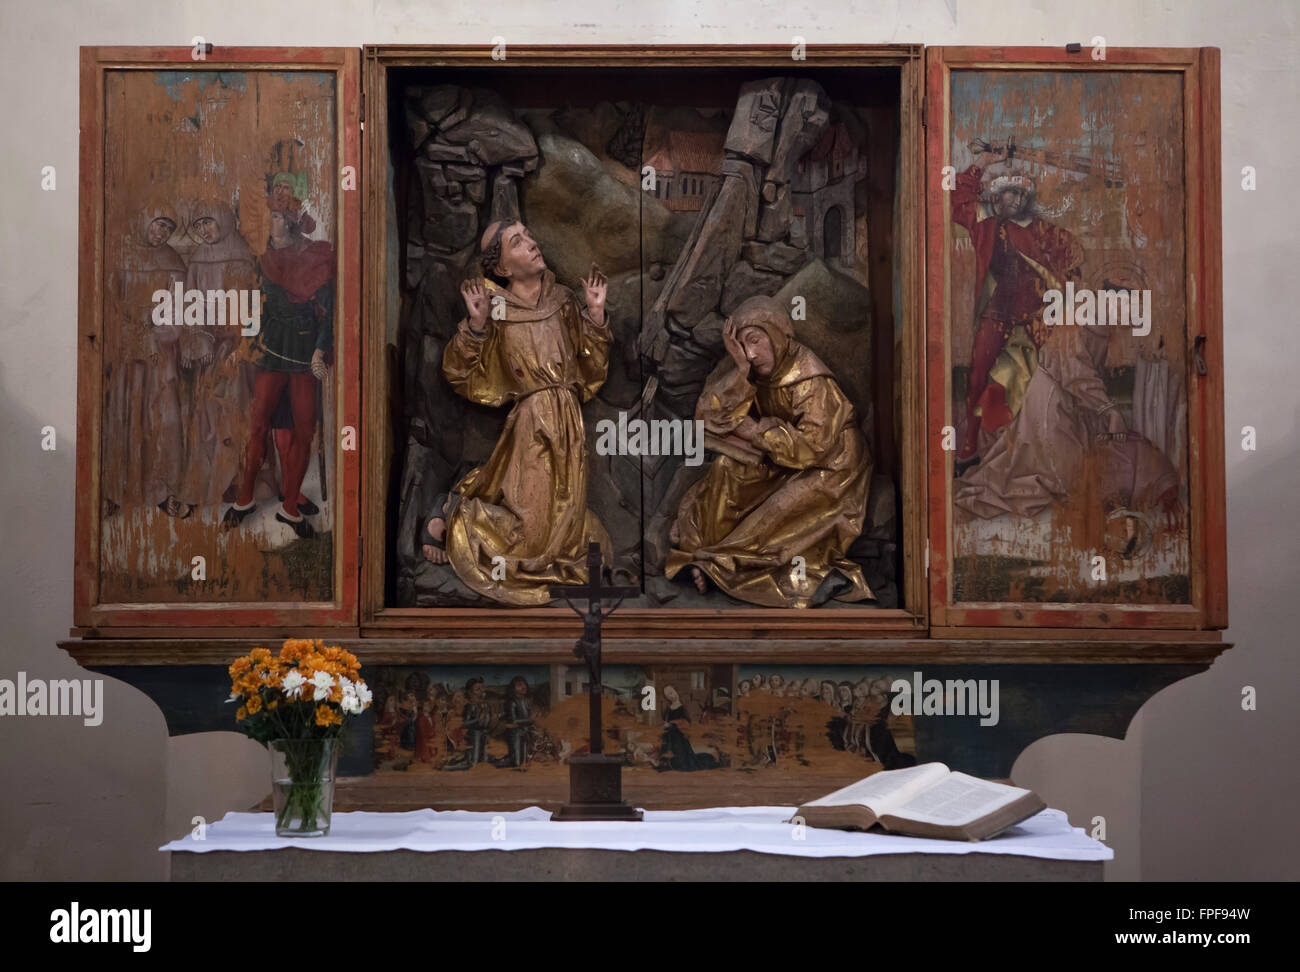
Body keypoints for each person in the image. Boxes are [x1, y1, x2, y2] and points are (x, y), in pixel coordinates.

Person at [433, 221, 613, 604]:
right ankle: (455, 515)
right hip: (532, 425)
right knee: (529, 532)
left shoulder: (564, 300)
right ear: (502, 268)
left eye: (530, 235)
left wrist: (595, 316)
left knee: (564, 523)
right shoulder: (495, 309)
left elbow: (591, 369)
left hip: (569, 424)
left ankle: (459, 515)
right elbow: (460, 374)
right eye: (518, 242)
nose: (532, 243)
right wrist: (477, 326)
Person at [666, 296, 873, 607]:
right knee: (725, 469)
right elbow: (707, 415)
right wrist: (739, 369)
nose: (750, 353)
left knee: (777, 513)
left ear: (777, 334)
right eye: (741, 346)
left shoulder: (809, 378)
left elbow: (814, 446)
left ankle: (722, 564)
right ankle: (707, 550)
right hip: (783, 459)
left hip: (832, 469)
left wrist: (757, 431)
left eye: (755, 340)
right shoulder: (756, 371)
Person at [950, 149, 1084, 471]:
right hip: (996, 315)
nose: (1011, 198)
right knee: (978, 378)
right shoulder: (987, 226)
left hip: (1032, 322)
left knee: (1026, 388)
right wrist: (981, 165)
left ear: (1025, 197)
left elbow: (1074, 259)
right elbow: (957, 203)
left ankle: (1020, 457)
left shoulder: (1043, 232)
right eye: (1006, 192)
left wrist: (1060, 298)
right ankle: (969, 451)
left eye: (1018, 192)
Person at [223, 206, 334, 537]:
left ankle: (290, 509)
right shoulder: (260, 259)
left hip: (302, 354)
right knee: (259, 427)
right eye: (268, 216)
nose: (272, 222)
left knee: (303, 430)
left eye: (277, 216)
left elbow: (328, 312)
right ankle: (244, 500)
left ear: (290, 222)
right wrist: (243, 346)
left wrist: (319, 350)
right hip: (270, 352)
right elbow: (255, 307)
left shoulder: (312, 257)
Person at [104, 204, 190, 517]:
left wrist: (156, 331)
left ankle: (163, 491)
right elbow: (109, 303)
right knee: (124, 417)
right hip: (127, 349)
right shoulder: (121, 255)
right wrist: (127, 330)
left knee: (162, 419)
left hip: (159, 351)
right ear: (144, 221)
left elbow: (179, 309)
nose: (161, 233)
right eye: (157, 225)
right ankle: (117, 490)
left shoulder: (174, 262)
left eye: (168, 228)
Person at [179, 201, 256, 507]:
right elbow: (191, 308)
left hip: (237, 351)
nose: (204, 231)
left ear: (223, 220)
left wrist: (238, 345)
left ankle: (236, 479)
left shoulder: (243, 256)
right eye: (198, 227)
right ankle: (211, 480)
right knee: (207, 414)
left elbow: (252, 308)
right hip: (209, 349)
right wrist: (200, 341)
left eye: (208, 223)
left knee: (235, 411)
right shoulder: (197, 261)